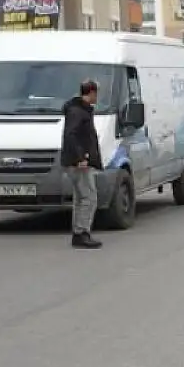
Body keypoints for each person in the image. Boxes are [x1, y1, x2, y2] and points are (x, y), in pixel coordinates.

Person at [61, 80, 104, 250]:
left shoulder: (79, 110)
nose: (97, 97)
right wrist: (81, 158)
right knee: (89, 197)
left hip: (77, 161)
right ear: (91, 93)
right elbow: (71, 135)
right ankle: (82, 232)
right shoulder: (78, 112)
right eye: (96, 93)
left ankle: (78, 232)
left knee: (80, 198)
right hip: (79, 162)